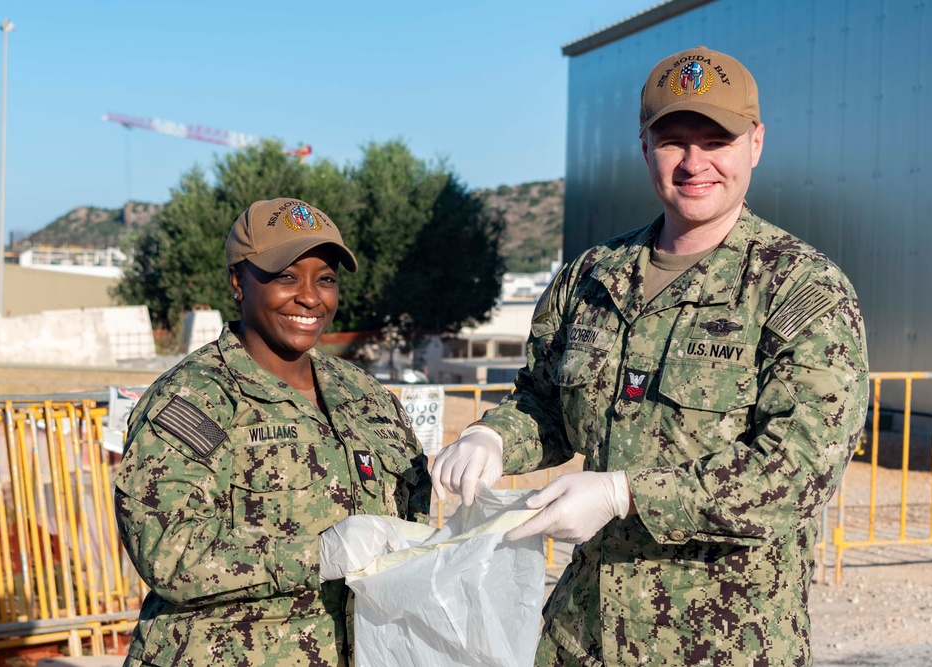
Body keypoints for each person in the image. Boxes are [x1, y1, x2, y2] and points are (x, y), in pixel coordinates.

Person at [432, 46, 869, 666]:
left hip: (722, 643)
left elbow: (797, 474)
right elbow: (545, 402)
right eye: (673, 140)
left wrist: (623, 494)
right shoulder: (591, 277)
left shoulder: (800, 290)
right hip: (580, 639)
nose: (694, 163)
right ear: (645, 147)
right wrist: (493, 438)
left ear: (756, 144)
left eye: (715, 140)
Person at [115, 198, 431, 667]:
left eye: (325, 279)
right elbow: (165, 550)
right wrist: (317, 554)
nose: (310, 296)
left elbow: (413, 513)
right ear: (239, 282)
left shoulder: (364, 395)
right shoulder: (195, 399)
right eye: (286, 276)